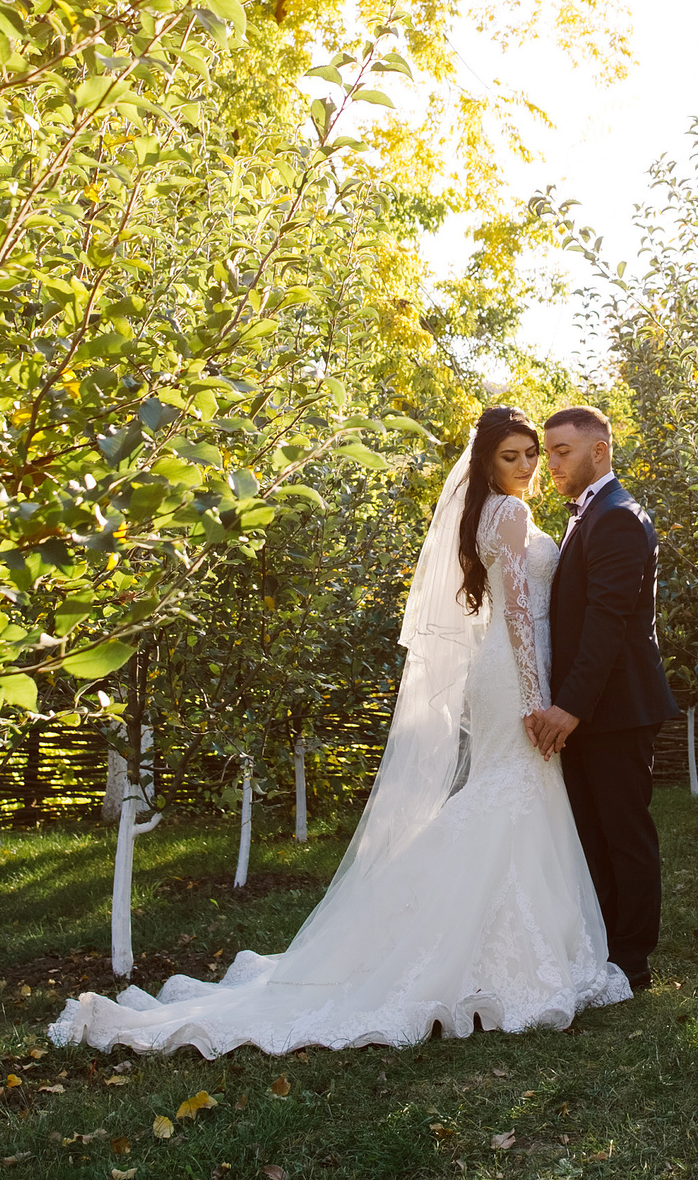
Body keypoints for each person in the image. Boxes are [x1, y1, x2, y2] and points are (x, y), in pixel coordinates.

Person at [47, 407, 630, 1056]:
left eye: (533, 454)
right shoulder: (513, 515)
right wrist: (535, 697)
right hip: (516, 676)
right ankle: (507, 955)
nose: (528, 466)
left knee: (506, 792)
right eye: (513, 456)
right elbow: (520, 613)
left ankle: (468, 936)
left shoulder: (487, 514)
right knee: (515, 792)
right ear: (488, 463)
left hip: (498, 672)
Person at [527, 405, 676, 990]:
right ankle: (604, 948)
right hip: (590, 708)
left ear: (600, 450)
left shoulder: (617, 517)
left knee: (624, 835)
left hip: (616, 709)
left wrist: (571, 706)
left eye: (563, 450)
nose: (553, 463)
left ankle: (632, 962)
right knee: (592, 833)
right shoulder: (588, 515)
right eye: (550, 452)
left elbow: (608, 621)